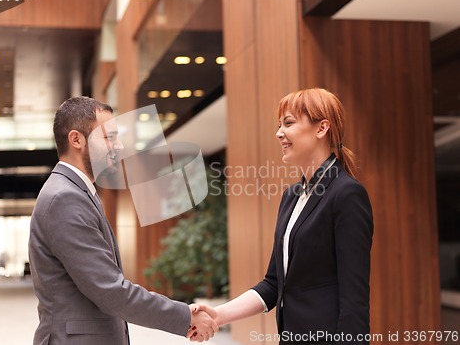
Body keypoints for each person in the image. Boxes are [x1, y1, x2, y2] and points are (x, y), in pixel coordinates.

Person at [29, 96, 217, 345]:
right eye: (108, 137)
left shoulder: (75, 192)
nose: (118, 146)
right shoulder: (65, 197)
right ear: (76, 139)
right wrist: (184, 317)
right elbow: (109, 290)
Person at [193, 88, 374, 344]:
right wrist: (217, 315)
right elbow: (273, 284)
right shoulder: (291, 196)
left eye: (288, 123)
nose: (279, 133)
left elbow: (354, 300)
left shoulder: (347, 194)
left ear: (321, 128)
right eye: (279, 125)